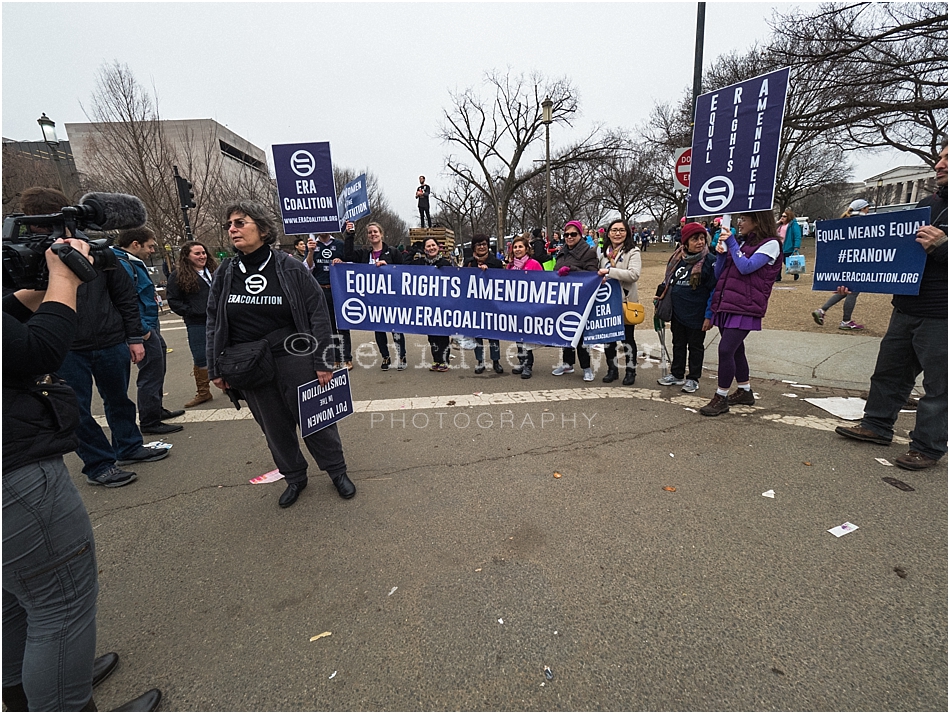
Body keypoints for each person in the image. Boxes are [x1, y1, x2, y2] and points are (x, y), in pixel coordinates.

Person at [3, 237, 162, 712]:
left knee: (15, 599)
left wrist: (33, 293)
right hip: (17, 477)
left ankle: (31, 690)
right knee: (61, 606)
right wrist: (64, 279)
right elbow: (35, 351)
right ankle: (61, 694)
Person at [207, 200, 355, 508]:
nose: (232, 229)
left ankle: (337, 471)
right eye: (229, 225)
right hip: (250, 365)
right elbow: (213, 320)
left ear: (261, 228)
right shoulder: (226, 272)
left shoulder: (289, 267)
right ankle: (294, 477)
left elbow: (318, 314)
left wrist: (323, 360)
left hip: (294, 358)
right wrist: (215, 368)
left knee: (317, 420)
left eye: (239, 223)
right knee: (274, 427)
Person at [21, 188, 159, 489]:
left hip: (110, 341)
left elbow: (125, 295)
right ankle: (99, 463)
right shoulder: (26, 257)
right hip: (65, 347)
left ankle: (129, 446)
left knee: (119, 400)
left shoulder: (94, 250)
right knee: (77, 410)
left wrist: (134, 336)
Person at [835, 141, 948, 470]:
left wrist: (943, 246)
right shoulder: (927, 204)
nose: (939, 165)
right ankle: (877, 425)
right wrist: (853, 277)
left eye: (946, 159)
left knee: (938, 386)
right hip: (908, 306)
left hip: (943, 314)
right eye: (940, 158)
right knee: (889, 372)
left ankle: (927, 446)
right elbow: (892, 253)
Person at [699, 211, 783, 416]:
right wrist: (721, 254)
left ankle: (721, 396)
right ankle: (745, 390)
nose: (740, 222)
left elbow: (747, 267)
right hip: (727, 302)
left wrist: (733, 245)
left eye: (744, 219)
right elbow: (721, 273)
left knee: (726, 349)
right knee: (736, 350)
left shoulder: (771, 244)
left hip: (746, 305)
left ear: (758, 221)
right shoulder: (743, 242)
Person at [113, 227, 185, 434]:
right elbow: (125, 300)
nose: (153, 250)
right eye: (150, 246)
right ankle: (150, 420)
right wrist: (142, 330)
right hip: (143, 327)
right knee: (150, 374)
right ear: (136, 244)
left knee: (157, 369)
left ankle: (155, 409)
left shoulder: (130, 262)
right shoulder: (123, 264)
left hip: (148, 324)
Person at [657, 222, 717, 393]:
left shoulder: (710, 262)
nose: (699, 242)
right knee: (678, 343)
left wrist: (709, 315)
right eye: (695, 239)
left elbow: (714, 291)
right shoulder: (678, 259)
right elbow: (669, 281)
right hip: (678, 312)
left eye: (702, 239)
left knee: (696, 347)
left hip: (697, 314)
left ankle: (693, 378)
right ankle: (677, 374)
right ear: (685, 243)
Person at [343, 221, 407, 370]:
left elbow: (403, 272)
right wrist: (350, 235)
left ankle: (401, 356)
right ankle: (385, 357)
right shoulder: (365, 254)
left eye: (375, 232)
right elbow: (348, 256)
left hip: (392, 297)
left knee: (396, 328)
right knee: (378, 329)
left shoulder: (392, 252)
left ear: (381, 234)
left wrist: (389, 267)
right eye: (370, 232)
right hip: (373, 299)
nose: (373, 234)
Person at [166, 240, 217, 407]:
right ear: (187, 256)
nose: (202, 256)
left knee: (224, 352)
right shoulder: (178, 275)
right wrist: (191, 311)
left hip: (219, 320)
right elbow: (173, 300)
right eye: (197, 253)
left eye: (203, 253)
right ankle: (203, 392)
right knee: (201, 356)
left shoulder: (215, 271)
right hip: (197, 322)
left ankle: (230, 385)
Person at [812, 199, 870, 330]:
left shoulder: (843, 223)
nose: (868, 211)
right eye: (867, 208)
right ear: (861, 209)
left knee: (845, 290)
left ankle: (822, 310)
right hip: (855, 261)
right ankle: (846, 321)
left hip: (844, 261)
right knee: (853, 292)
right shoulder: (863, 223)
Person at [552, 220, 599, 381]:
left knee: (581, 336)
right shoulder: (562, 252)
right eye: (566, 234)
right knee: (565, 331)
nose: (569, 237)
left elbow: (592, 275)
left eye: (573, 234)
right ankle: (567, 363)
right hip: (564, 299)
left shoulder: (589, 252)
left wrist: (572, 270)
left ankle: (586, 367)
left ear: (580, 235)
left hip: (581, 300)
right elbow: (555, 271)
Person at [597, 219, 641, 386]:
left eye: (621, 230)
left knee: (627, 338)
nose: (617, 233)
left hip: (625, 300)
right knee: (608, 338)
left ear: (627, 233)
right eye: (614, 230)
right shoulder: (603, 253)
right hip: (607, 301)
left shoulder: (633, 251)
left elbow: (634, 275)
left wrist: (610, 271)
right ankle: (612, 369)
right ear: (608, 233)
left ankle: (631, 371)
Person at [306, 229, 352, 369]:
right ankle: (335, 358)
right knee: (329, 326)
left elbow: (350, 264)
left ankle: (347, 358)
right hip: (320, 290)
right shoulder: (312, 245)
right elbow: (307, 268)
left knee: (343, 326)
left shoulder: (339, 244)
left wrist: (341, 262)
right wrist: (310, 252)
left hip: (338, 290)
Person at [410, 237, 453, 371]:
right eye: (428, 246)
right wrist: (413, 250)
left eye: (433, 245)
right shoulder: (420, 263)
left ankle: (444, 360)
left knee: (443, 335)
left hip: (442, 305)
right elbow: (404, 265)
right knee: (431, 336)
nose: (431, 248)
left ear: (438, 247)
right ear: (424, 249)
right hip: (426, 306)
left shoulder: (445, 263)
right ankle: (436, 359)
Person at [464, 234, 504, 374]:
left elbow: (502, 282)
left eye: (484, 244)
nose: (482, 247)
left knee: (493, 334)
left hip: (492, 303)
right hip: (475, 303)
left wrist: (489, 272)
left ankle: (496, 361)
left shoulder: (496, 263)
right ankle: (480, 361)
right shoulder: (469, 263)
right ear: (474, 247)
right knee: (478, 334)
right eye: (478, 244)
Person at [507, 234, 544, 378]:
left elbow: (542, 283)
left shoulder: (534, 264)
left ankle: (528, 365)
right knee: (517, 336)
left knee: (526, 336)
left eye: (520, 246)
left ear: (526, 249)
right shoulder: (510, 266)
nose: (517, 249)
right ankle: (521, 361)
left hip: (529, 306)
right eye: (515, 247)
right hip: (514, 306)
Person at [776, 208, 803, 281]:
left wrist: (796, 246)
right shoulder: (780, 226)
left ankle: (795, 273)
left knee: (787, 262)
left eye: (784, 216)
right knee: (778, 262)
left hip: (788, 247)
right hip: (780, 247)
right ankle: (777, 277)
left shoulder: (793, 225)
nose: (782, 218)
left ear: (789, 217)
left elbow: (797, 236)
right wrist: (778, 223)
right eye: (782, 216)